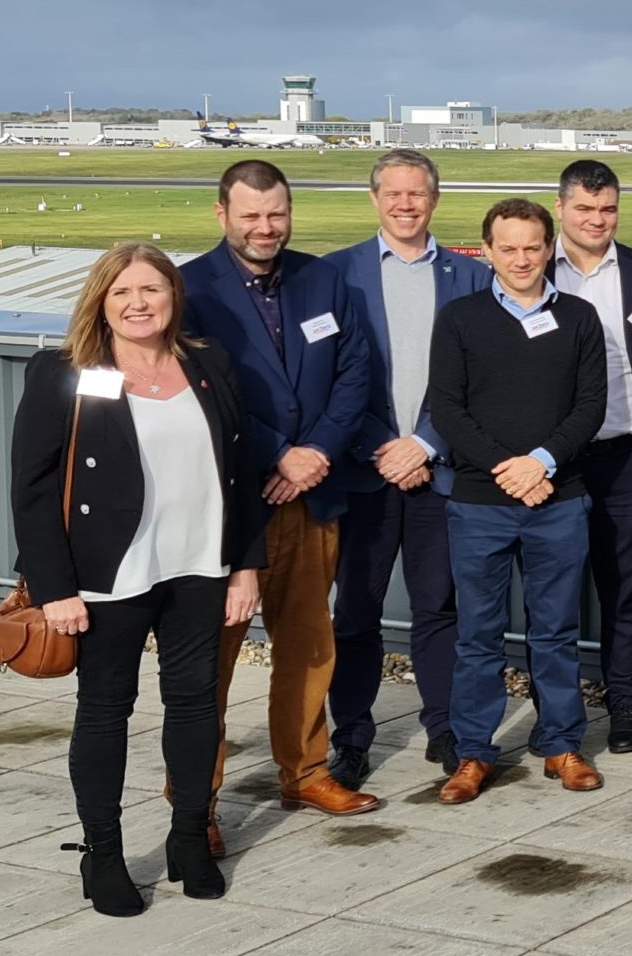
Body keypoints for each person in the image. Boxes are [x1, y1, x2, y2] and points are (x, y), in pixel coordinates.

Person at [10, 244, 263, 915]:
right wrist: (54, 585)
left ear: (173, 296)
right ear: (101, 300)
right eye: (123, 292)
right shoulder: (64, 372)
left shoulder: (208, 362)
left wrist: (246, 562)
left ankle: (188, 840)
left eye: (152, 288)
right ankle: (103, 853)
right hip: (108, 576)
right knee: (104, 708)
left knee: (194, 704)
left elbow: (242, 469)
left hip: (200, 567)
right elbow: (33, 489)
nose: (139, 302)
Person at [177, 158, 379, 831]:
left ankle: (307, 772)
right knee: (210, 663)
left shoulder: (324, 278)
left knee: (309, 644)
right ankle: (196, 803)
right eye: (251, 216)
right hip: (233, 510)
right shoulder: (190, 287)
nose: (266, 228)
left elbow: (356, 372)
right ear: (222, 215)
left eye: (277, 214)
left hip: (312, 497)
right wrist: (278, 451)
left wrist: (317, 451)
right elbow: (200, 390)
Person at [426, 198, 609, 803]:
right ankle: (475, 753)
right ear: (489, 251)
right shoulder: (459, 319)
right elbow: (448, 408)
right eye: (509, 248)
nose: (523, 258)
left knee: (556, 630)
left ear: (549, 247)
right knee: (478, 635)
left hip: (559, 497)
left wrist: (542, 463)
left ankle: (562, 744)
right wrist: (508, 470)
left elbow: (590, 407)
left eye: (533, 247)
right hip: (481, 502)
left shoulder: (580, 318)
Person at [325, 149, 492, 782]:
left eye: (417, 194)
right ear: (374, 199)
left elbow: (476, 383)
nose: (404, 205)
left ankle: (444, 728)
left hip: (439, 471)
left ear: (435, 200)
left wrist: (422, 444)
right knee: (357, 612)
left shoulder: (470, 279)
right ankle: (352, 736)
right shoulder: (336, 276)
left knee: (439, 608)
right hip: (364, 473)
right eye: (393, 193)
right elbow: (334, 382)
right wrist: (385, 448)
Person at [552, 159, 632, 754]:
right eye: (584, 209)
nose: (597, 220)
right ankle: (558, 713)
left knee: (627, 586)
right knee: (556, 589)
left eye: (607, 210)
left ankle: (626, 701)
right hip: (553, 461)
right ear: (561, 210)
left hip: (630, 453)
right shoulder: (528, 271)